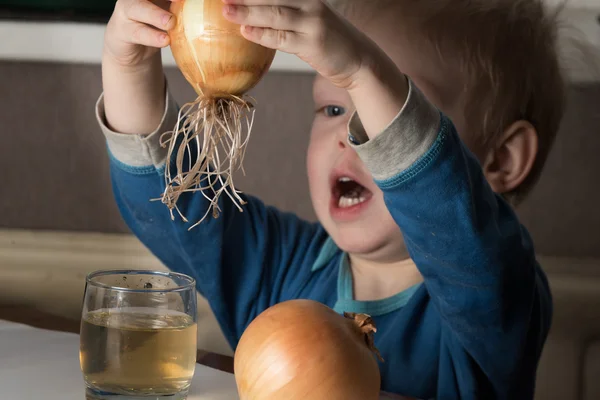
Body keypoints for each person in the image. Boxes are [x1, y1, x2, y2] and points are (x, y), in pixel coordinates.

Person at [95, 0, 567, 398]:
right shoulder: (277, 268)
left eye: (389, 107)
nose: (348, 134)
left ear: (502, 161)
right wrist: (130, 67)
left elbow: (456, 224)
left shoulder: (500, 293)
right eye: (335, 107)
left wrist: (364, 69)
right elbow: (172, 202)